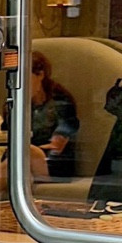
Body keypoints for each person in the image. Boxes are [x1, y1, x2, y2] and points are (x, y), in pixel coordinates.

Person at [29, 49, 79, 179]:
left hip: (54, 162)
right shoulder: (18, 106)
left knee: (26, 154)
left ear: (40, 75)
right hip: (23, 161)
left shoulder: (60, 102)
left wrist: (34, 150)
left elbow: (57, 146)